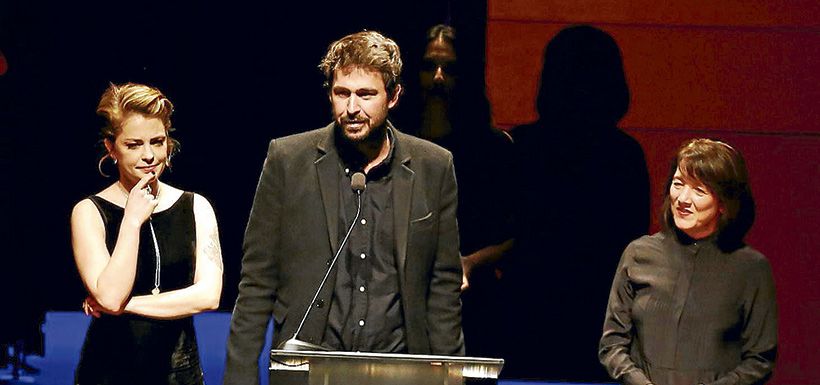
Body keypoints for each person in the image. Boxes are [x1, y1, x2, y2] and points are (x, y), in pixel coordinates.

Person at [224, 30, 465, 384]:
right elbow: (257, 281)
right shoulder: (288, 160)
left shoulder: (433, 167)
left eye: (366, 95)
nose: (352, 108)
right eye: (342, 94)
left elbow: (443, 289)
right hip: (309, 368)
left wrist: (453, 376)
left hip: (400, 369)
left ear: (394, 96)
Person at [502, 25, 649, 380]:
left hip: (527, 315)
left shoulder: (520, 147)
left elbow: (505, 234)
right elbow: (633, 245)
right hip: (599, 317)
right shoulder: (625, 156)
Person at [71, 83, 223, 385]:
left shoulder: (195, 206)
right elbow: (111, 296)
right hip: (108, 373)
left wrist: (127, 306)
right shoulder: (89, 211)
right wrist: (131, 221)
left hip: (179, 373)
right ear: (111, 148)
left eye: (157, 141)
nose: (149, 155)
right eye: (134, 145)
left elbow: (208, 296)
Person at [599, 138, 777, 385]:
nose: (683, 199)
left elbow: (760, 360)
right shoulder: (639, 253)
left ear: (724, 204)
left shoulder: (750, 268)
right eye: (678, 184)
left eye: (699, 190)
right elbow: (612, 345)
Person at [398, 24, 514, 358]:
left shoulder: (494, 149)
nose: (437, 78)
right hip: (398, 304)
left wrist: (469, 263)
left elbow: (519, 232)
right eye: (428, 67)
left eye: (448, 69)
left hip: (473, 303)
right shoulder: (392, 143)